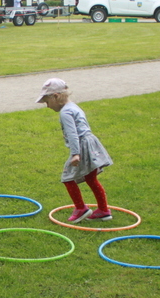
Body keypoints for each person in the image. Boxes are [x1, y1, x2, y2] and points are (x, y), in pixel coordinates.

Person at [36, 78, 113, 223]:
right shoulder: (74, 107)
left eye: (47, 102)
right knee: (91, 179)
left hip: (81, 146)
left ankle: (81, 208)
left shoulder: (65, 112)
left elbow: (73, 134)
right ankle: (103, 210)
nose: (47, 106)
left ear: (56, 96)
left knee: (67, 178)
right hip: (91, 143)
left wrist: (75, 154)